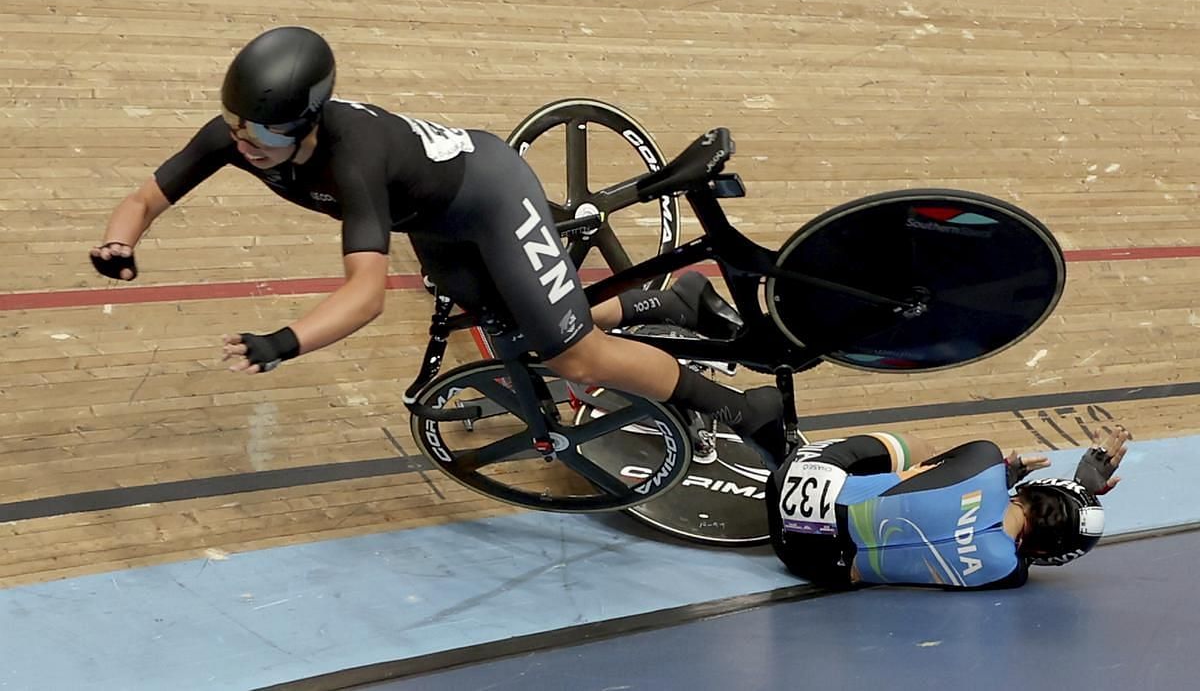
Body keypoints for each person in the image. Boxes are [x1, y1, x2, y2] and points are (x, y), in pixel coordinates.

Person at [88, 26, 786, 461]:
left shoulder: (350, 158)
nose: (246, 146)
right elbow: (147, 196)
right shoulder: (240, 135)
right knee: (518, 322)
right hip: (431, 216)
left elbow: (365, 296)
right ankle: (675, 300)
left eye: (265, 136)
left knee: (571, 349)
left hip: (489, 192)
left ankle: (736, 408)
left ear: (307, 122)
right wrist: (121, 240)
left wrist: (283, 341)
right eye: (237, 127)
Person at [766, 423, 1130, 589]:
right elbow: (1024, 551)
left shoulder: (984, 460)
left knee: (921, 455)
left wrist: (1006, 475)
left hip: (795, 483)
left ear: (1038, 486)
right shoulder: (1006, 574)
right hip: (806, 562)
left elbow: (937, 471)